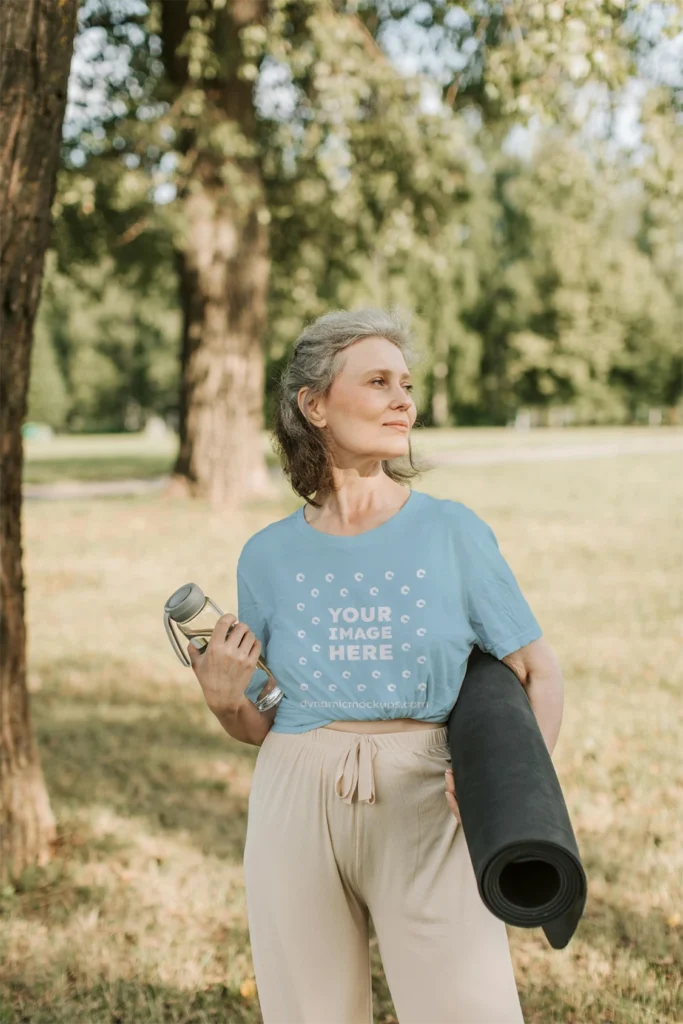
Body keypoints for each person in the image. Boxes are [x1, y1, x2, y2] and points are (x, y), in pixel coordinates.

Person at [188, 307, 555, 1024]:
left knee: (467, 1009)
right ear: (314, 404)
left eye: (406, 384)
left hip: (426, 789)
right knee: (307, 1011)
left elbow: (537, 668)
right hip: (294, 787)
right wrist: (225, 697)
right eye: (378, 381)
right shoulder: (266, 555)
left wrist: (512, 793)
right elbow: (257, 722)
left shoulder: (451, 532)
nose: (402, 401)